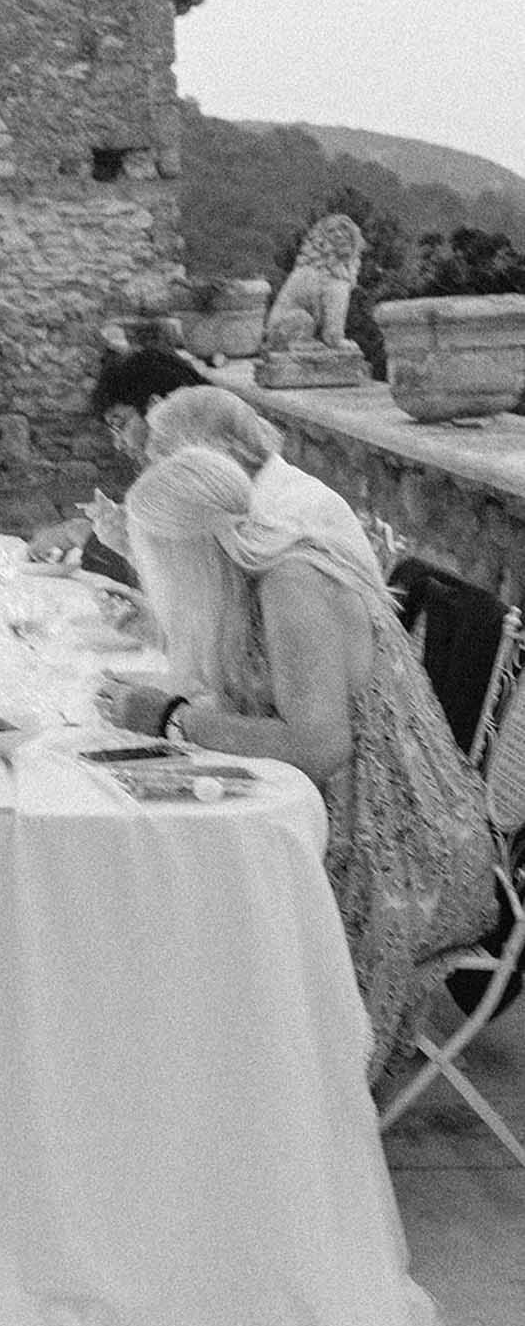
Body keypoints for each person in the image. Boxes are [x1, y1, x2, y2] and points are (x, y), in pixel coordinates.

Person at [96, 445, 498, 1080]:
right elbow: (260, 681)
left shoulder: (290, 582)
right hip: (340, 808)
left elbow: (320, 747)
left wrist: (173, 717)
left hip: (398, 846)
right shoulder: (252, 576)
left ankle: (238, 1089)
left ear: (191, 550)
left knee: (187, 888)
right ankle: (179, 1070)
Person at [143, 384, 384, 585]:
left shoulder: (287, 514)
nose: (176, 490)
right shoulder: (256, 496)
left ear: (224, 451)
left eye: (182, 472)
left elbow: (225, 610)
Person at [28, 348, 208, 582]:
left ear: (156, 408)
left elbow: (167, 579)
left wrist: (80, 534)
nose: (118, 444)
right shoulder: (193, 458)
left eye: (120, 425)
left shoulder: (199, 474)